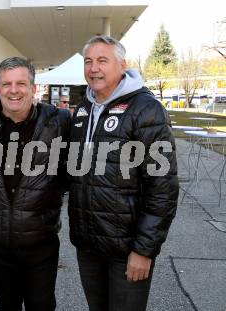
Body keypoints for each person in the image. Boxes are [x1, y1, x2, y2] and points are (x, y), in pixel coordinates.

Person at [68, 35, 178, 311]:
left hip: (127, 249)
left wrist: (144, 250)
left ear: (122, 65)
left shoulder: (146, 109)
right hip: (89, 245)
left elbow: (162, 187)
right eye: (89, 61)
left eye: (102, 61)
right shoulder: (83, 109)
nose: (94, 68)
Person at [0, 57, 70, 311]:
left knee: (41, 305)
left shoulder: (59, 122)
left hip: (40, 241)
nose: (14, 90)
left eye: (21, 83)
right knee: (7, 305)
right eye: (6, 84)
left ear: (33, 87)